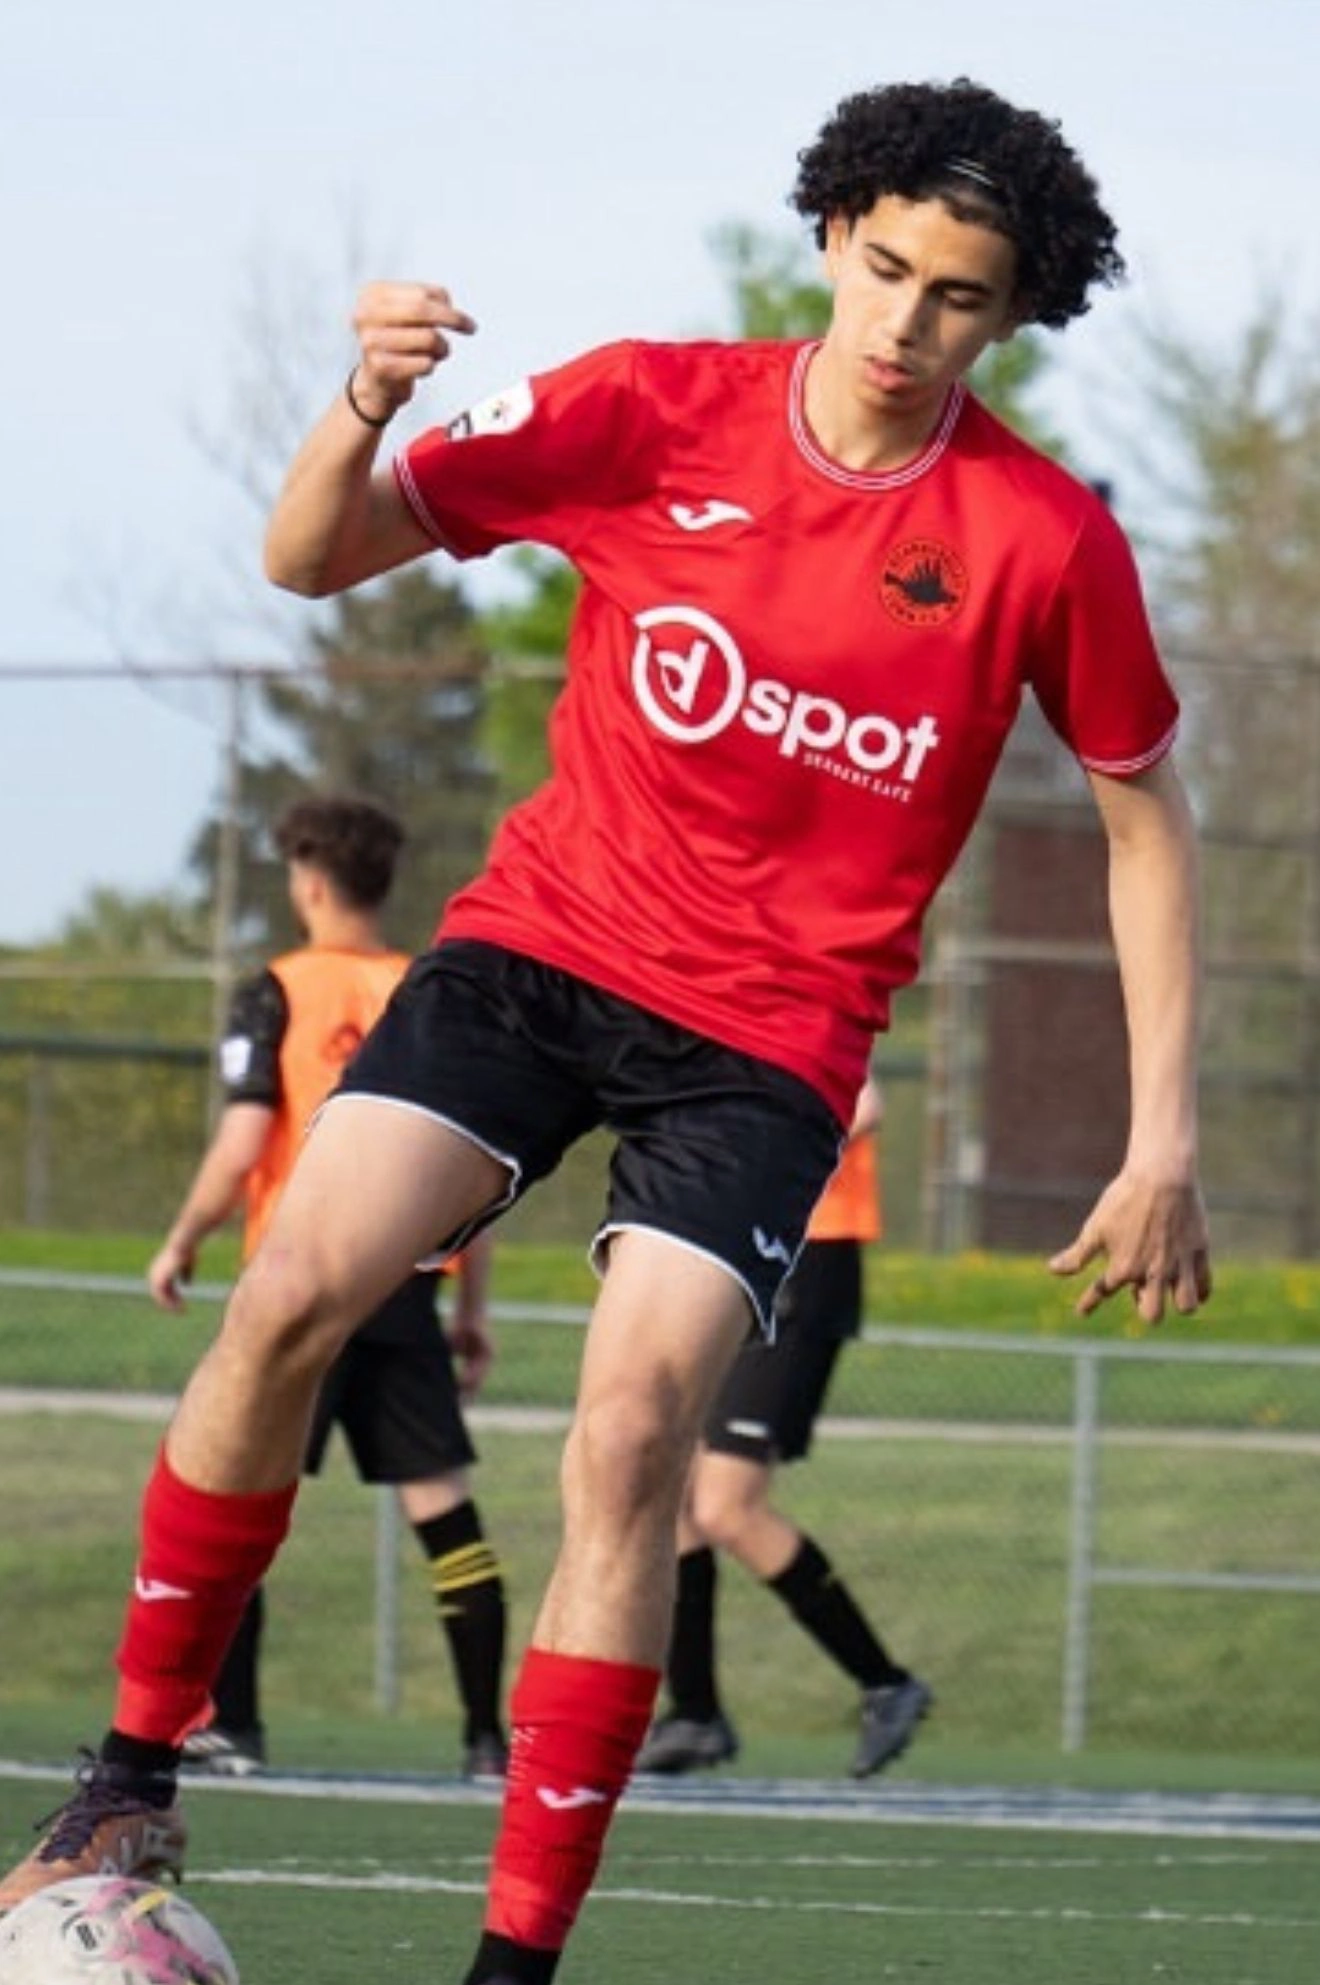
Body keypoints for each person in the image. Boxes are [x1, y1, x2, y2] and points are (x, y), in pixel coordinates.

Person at [1, 76, 1212, 1985]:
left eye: (960, 297)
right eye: (886, 267)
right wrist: (364, 400)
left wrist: (1162, 1142)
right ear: (833, 234)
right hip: (542, 954)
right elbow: (310, 557)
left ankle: (514, 1968)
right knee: (290, 1288)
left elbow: (1146, 817)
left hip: (769, 1045)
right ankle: (129, 1780)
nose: (905, 323)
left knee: (633, 1436)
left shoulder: (1040, 539)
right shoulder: (651, 406)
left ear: (1012, 315)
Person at [144, 794, 508, 1781]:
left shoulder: (274, 989)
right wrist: (472, 1307)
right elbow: (471, 1160)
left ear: (308, 883)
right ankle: (485, 1738)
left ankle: (234, 1726)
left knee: (238, 1481)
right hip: (402, 1282)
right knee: (445, 1511)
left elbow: (241, 1143)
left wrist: (181, 1238)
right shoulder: (431, 989)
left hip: (301, 1280)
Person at [636, 1078, 933, 1779]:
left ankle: (885, 1682)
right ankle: (695, 1712)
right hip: (742, 1252)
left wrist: (754, 1151)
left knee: (726, 1506)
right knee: (676, 1500)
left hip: (809, 1258)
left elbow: (864, 1105)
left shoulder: (808, 1018)